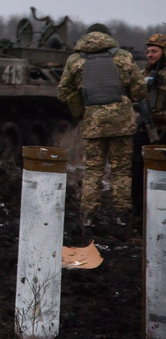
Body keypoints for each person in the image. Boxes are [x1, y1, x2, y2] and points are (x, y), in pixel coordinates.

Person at [57, 23, 146, 240]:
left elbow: (63, 91)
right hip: (122, 123)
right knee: (122, 171)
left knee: (93, 171)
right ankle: (123, 216)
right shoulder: (123, 57)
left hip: (93, 122)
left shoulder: (76, 60)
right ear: (108, 37)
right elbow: (139, 90)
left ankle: (88, 216)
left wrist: (81, 105)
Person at [131, 32, 166, 222]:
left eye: (155, 51)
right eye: (148, 51)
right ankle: (138, 214)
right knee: (137, 170)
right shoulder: (145, 73)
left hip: (162, 130)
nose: (150, 55)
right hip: (145, 128)